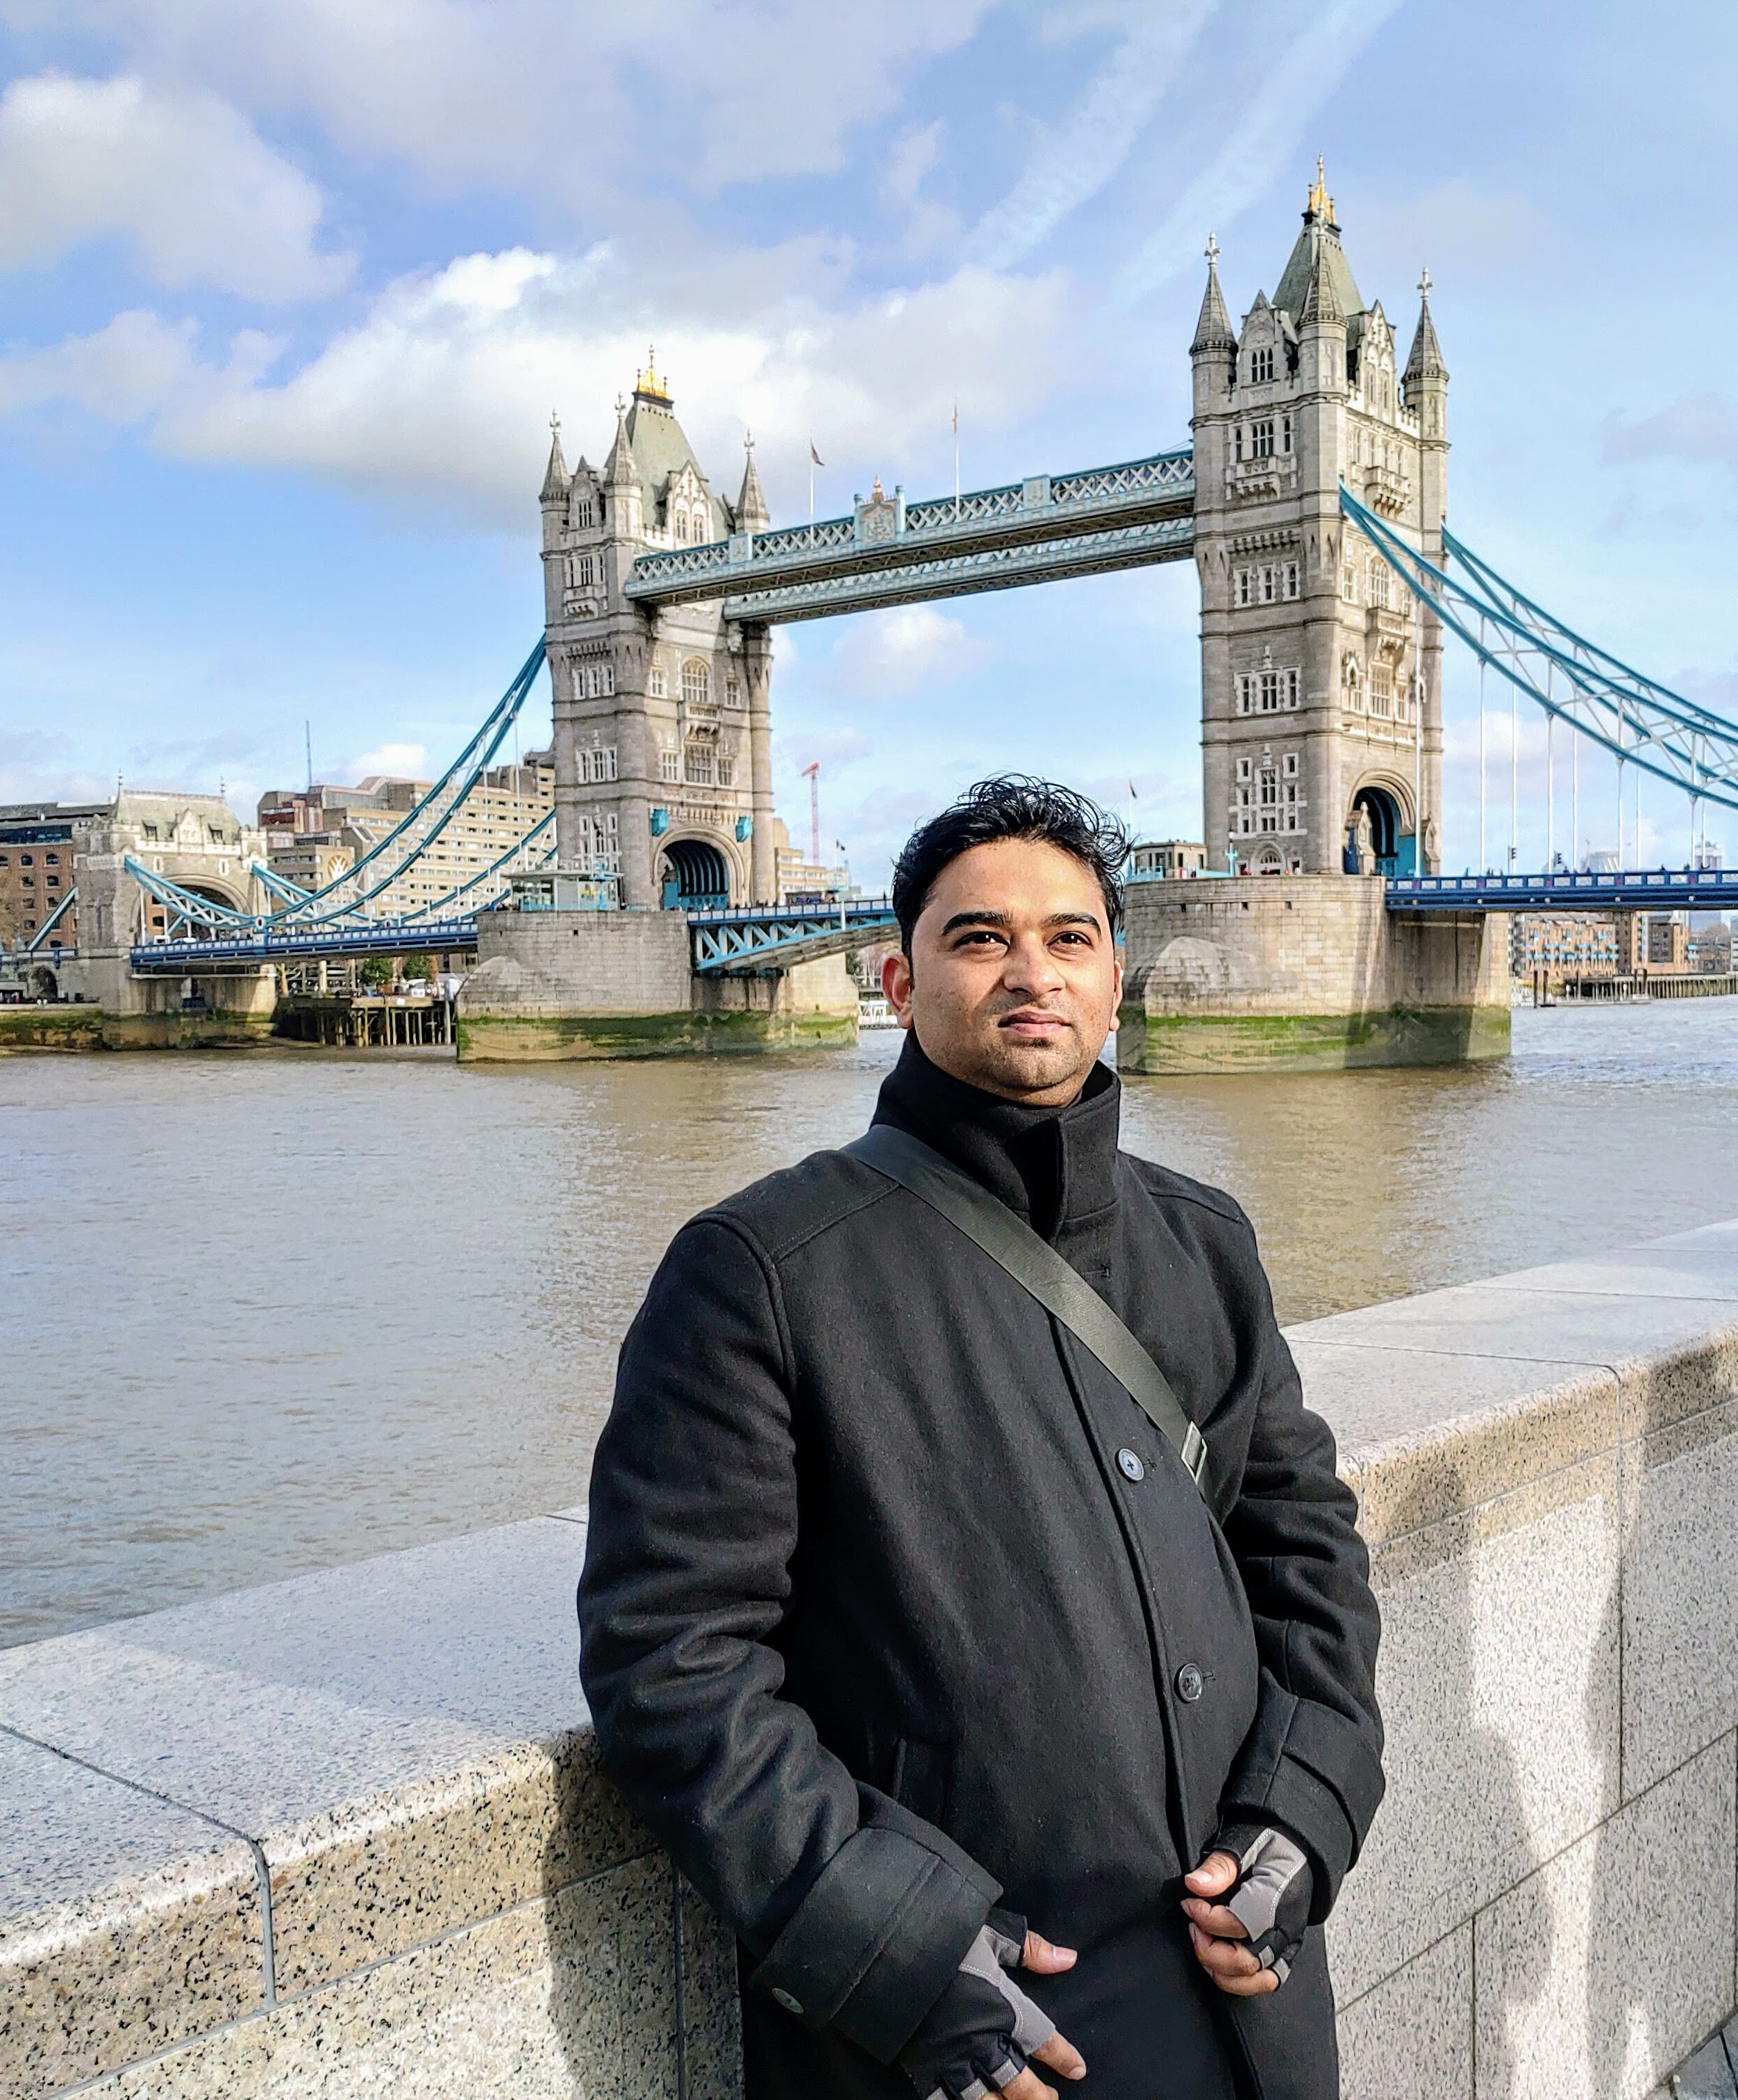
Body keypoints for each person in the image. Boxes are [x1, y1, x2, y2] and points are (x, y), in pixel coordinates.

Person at [579, 776, 1383, 2100]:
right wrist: (900, 1950)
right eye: (979, 938)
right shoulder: (758, 1270)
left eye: (1070, 937)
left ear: (1115, 982)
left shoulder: (1206, 1242)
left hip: (1252, 2001)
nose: (1032, 971)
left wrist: (1307, 1811)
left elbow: (1308, 1556)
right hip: (972, 2031)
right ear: (899, 983)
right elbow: (670, 1662)